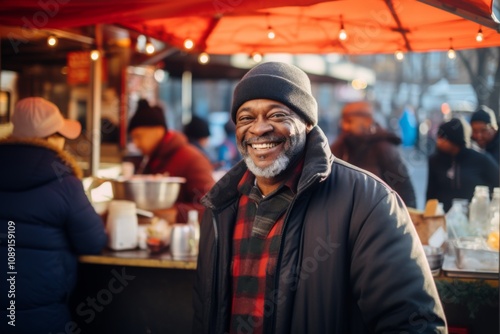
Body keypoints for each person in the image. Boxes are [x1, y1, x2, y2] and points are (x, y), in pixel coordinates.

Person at [192, 62, 447, 333]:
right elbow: (205, 314)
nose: (259, 129)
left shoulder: (370, 202)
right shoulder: (220, 206)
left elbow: (415, 324)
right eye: (246, 118)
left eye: (277, 115)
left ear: (308, 123)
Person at [0, 97, 107, 333]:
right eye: (60, 135)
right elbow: (93, 242)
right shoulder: (64, 181)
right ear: (51, 139)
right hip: (43, 316)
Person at [127, 99, 215, 219]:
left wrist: (177, 213)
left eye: (138, 136)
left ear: (158, 131)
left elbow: (212, 206)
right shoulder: (152, 159)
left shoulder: (191, 159)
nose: (136, 144)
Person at [330, 101, 417, 208]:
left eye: (349, 121)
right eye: (343, 121)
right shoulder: (339, 147)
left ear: (367, 121)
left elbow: (404, 190)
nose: (344, 126)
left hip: (379, 218)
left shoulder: (384, 149)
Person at [426, 117, 499, 212]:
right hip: (441, 219)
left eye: (442, 138)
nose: (438, 141)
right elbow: (430, 194)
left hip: (474, 219)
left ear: (454, 140)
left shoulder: (481, 160)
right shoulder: (435, 161)